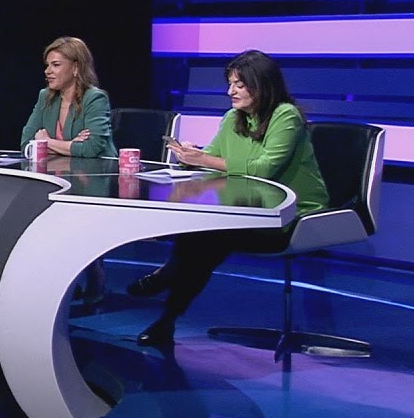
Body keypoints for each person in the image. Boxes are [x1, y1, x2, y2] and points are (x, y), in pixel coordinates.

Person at [129, 49, 329, 347]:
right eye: (230, 84)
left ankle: (166, 286)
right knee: (201, 233)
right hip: (246, 210)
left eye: (239, 84)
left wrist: (205, 160)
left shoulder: (285, 115)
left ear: (261, 85)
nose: (230, 91)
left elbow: (264, 168)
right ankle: (166, 319)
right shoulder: (232, 118)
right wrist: (190, 156)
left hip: (291, 215)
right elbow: (213, 157)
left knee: (211, 238)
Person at [20, 36, 117, 304]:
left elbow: (93, 148)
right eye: (47, 65)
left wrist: (48, 142)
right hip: (60, 177)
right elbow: (26, 143)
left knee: (78, 225)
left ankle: (95, 274)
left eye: (55, 65)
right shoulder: (45, 97)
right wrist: (71, 144)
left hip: (96, 179)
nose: (48, 71)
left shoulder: (95, 98)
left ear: (75, 68)